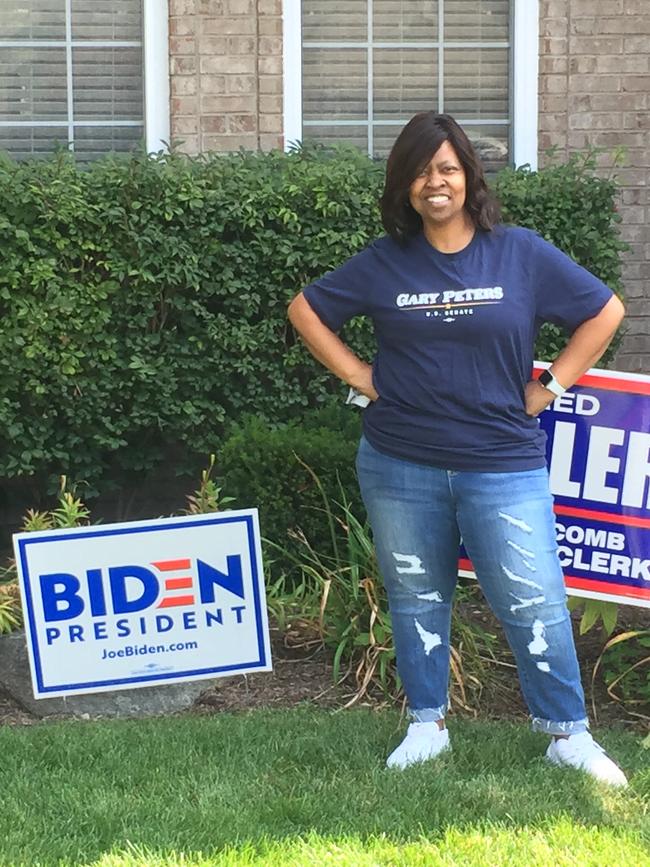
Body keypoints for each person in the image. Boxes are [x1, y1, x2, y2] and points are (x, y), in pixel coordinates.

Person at [287, 112, 627, 787]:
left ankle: (568, 734)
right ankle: (426, 724)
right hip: (399, 461)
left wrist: (551, 385)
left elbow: (605, 310)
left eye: (446, 167)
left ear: (469, 175)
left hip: (501, 459)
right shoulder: (386, 261)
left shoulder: (519, 253)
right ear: (404, 186)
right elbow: (306, 309)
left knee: (534, 597)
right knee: (416, 595)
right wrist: (359, 376)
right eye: (419, 171)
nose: (433, 182)